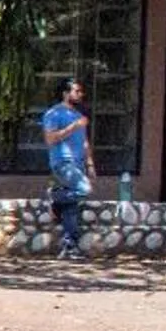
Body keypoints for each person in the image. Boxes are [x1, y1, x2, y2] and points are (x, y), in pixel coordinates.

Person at [41, 77, 94, 260]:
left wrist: (89, 163)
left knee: (71, 207)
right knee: (84, 189)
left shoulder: (79, 116)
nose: (80, 94)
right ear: (65, 93)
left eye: (81, 91)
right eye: (76, 91)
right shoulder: (54, 114)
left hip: (78, 164)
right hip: (63, 162)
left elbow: (85, 142)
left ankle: (69, 247)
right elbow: (50, 140)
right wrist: (73, 127)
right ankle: (55, 198)